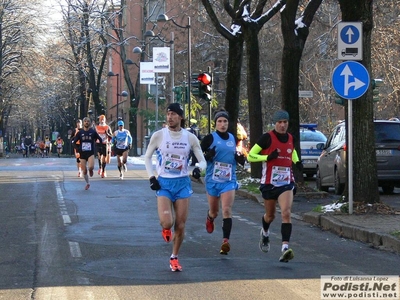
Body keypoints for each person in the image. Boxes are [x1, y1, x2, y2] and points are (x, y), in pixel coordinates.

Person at [144, 103, 206, 272]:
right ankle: (165, 229)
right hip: (164, 183)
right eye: (168, 113)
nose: (170, 117)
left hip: (182, 183)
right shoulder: (159, 135)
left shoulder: (190, 137)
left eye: (173, 114)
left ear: (181, 117)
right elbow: (147, 157)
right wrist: (151, 177)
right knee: (167, 222)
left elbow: (202, 160)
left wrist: (199, 169)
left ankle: (174, 257)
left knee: (180, 224)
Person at [247, 109, 303, 263]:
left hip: (286, 182)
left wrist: (297, 161)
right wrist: (267, 157)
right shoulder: (267, 138)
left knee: (286, 212)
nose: (282, 125)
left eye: (285, 122)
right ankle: (265, 232)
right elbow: (250, 155)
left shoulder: (291, 138)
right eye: (280, 122)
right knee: (270, 215)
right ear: (275, 123)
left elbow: (291, 152)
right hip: (269, 183)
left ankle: (285, 248)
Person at [201, 109, 245, 255]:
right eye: (219, 121)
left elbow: (238, 155)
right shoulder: (209, 138)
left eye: (225, 121)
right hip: (213, 180)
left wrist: (240, 160)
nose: (222, 124)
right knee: (215, 211)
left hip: (228, 180)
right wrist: (208, 156)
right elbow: (198, 157)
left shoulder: (233, 139)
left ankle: (225, 242)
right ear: (215, 124)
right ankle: (210, 217)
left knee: (227, 210)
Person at [72, 117, 103, 190]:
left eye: (88, 121)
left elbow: (100, 139)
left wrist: (99, 147)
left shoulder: (93, 132)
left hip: (90, 153)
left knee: (91, 167)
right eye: (85, 121)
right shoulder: (80, 133)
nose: (86, 122)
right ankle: (88, 183)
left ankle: (91, 170)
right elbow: (74, 142)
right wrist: (78, 148)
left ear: (90, 123)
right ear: (83, 123)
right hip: (82, 153)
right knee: (84, 170)